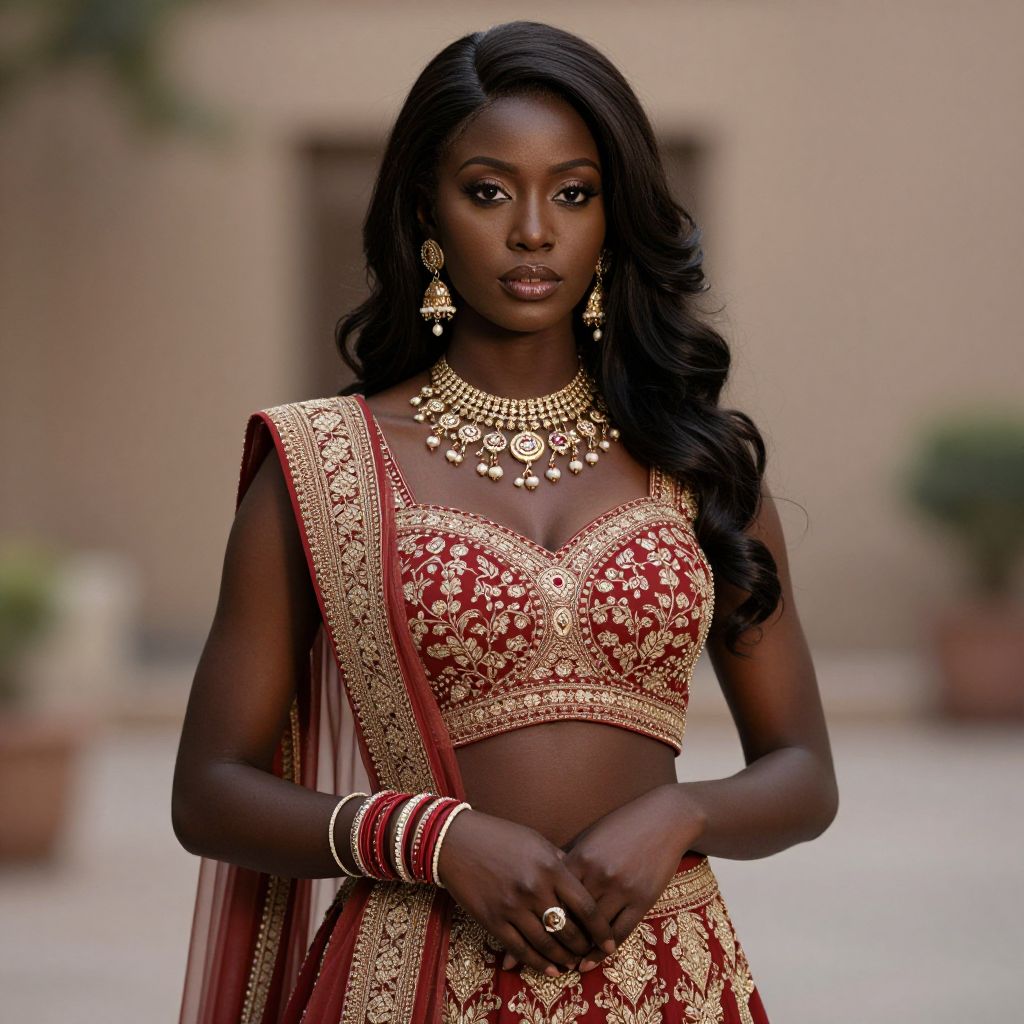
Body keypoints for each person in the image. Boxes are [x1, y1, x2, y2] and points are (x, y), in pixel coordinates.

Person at [172, 20, 838, 1024]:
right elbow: (209, 793)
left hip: (668, 979)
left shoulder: (698, 466)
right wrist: (433, 839)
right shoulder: (321, 465)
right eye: (488, 192)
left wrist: (681, 811)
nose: (533, 230)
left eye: (574, 193)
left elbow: (804, 773)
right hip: (410, 979)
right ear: (426, 215)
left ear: (613, 218)